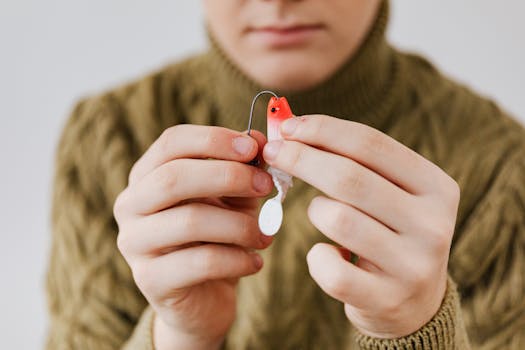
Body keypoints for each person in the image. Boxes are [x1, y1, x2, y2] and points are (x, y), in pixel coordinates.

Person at [45, 1, 525, 349]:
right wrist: (178, 336)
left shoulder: (502, 167)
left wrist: (418, 330)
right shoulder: (108, 138)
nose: (279, 1)